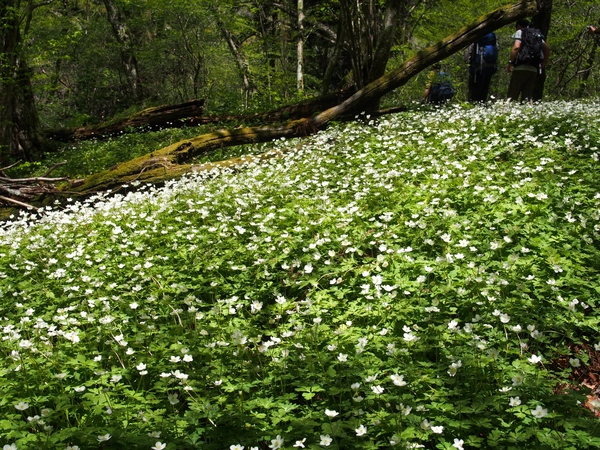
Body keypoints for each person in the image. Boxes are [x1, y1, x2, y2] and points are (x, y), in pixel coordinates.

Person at [506, 19, 550, 102]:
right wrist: (543, 63)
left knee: (512, 95)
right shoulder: (537, 34)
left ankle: (509, 113)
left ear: (518, 26)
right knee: (527, 98)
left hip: (520, 67)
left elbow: (516, 47)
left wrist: (510, 63)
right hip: (533, 68)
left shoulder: (520, 32)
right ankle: (526, 113)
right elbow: (547, 49)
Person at [465, 32, 499, 102]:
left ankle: (473, 104)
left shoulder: (476, 39)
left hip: (477, 67)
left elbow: (467, 55)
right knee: (485, 87)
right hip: (490, 66)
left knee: (474, 88)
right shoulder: (492, 41)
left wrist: (469, 63)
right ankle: (482, 103)